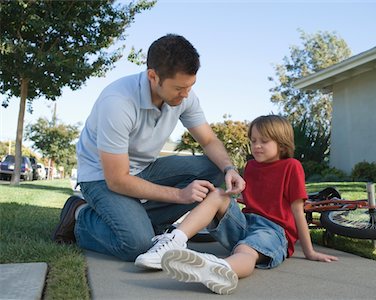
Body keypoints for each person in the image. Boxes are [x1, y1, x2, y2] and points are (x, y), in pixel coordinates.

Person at [52, 34, 245, 261]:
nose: (186, 95)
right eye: (179, 88)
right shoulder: (117, 103)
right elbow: (117, 180)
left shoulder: (184, 96)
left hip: (145, 168)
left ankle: (138, 221)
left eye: (190, 86)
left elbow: (209, 141)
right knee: (138, 244)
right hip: (101, 177)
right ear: (153, 76)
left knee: (213, 167)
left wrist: (229, 169)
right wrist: (180, 195)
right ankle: (80, 215)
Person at [134, 115, 338, 295]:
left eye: (264, 141)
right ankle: (175, 240)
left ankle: (222, 269)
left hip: (274, 232)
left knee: (246, 250)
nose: (256, 145)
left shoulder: (291, 166)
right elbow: (243, 201)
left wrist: (309, 251)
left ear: (282, 144)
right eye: (253, 141)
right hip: (245, 224)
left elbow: (297, 211)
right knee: (218, 194)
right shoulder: (250, 166)